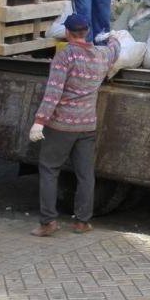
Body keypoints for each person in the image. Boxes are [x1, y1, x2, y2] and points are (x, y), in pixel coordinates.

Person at [28, 15, 123, 236]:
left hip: (61, 126)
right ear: (87, 31)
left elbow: (53, 93)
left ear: (68, 33)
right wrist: (112, 37)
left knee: (50, 169)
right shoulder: (101, 55)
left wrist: (39, 122)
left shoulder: (65, 56)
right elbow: (115, 48)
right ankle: (82, 222)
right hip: (87, 125)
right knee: (85, 174)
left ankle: (48, 223)